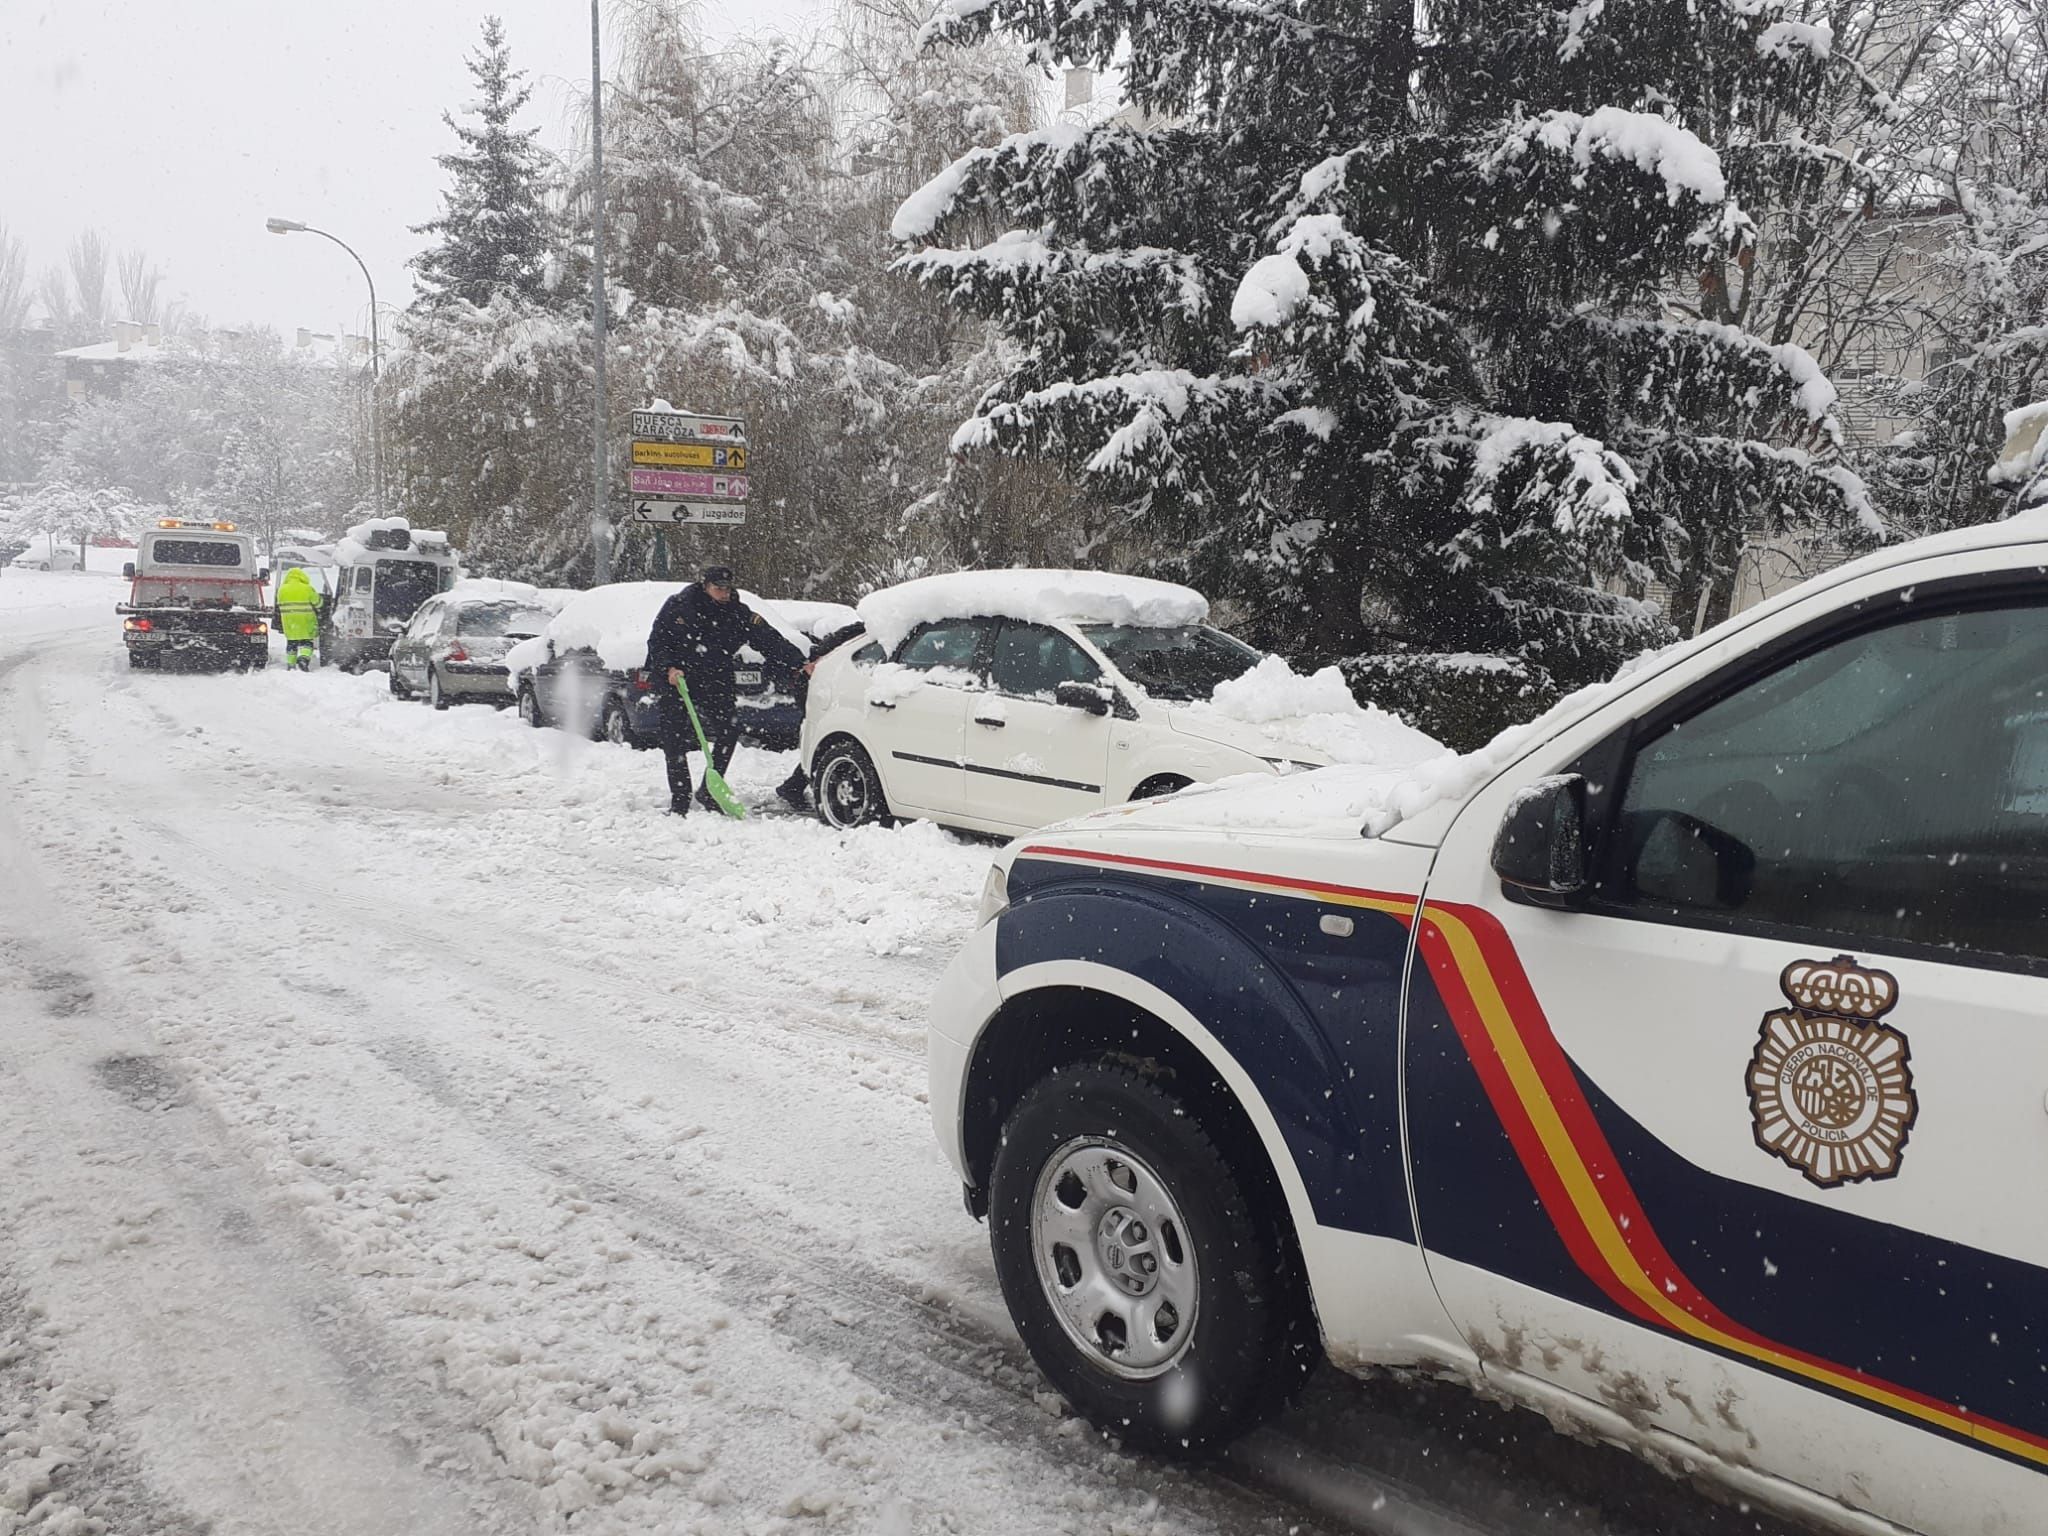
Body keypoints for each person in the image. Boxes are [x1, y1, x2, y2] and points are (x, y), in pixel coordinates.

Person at [644, 565, 810, 815]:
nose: (723, 593)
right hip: (679, 679)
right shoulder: (679, 606)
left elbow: (769, 640)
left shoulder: (738, 613)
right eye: (717, 589)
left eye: (727, 589)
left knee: (729, 730)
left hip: (715, 678)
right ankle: (680, 798)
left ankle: (709, 789)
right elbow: (658, 640)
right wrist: (668, 668)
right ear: (705, 586)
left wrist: (799, 663)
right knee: (675, 739)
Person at [772, 621, 866, 810]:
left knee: (820, 739)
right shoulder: (862, 634)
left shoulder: (863, 631)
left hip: (820, 683)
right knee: (820, 739)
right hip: (818, 685)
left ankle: (793, 786)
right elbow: (824, 654)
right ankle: (794, 786)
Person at [276, 567, 322, 671]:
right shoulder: (307, 588)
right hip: (305, 620)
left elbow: (279, 604)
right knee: (307, 641)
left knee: (291, 642)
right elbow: (318, 603)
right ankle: (303, 659)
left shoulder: (282, 589)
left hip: (289, 621)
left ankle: (291, 665)